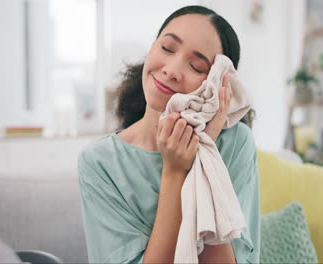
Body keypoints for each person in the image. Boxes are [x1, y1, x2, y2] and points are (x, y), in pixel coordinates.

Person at [78, 5, 260, 263]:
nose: (172, 70)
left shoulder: (236, 143)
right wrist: (174, 171)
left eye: (197, 67)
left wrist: (203, 151)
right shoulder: (99, 161)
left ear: (217, 85)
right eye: (167, 48)